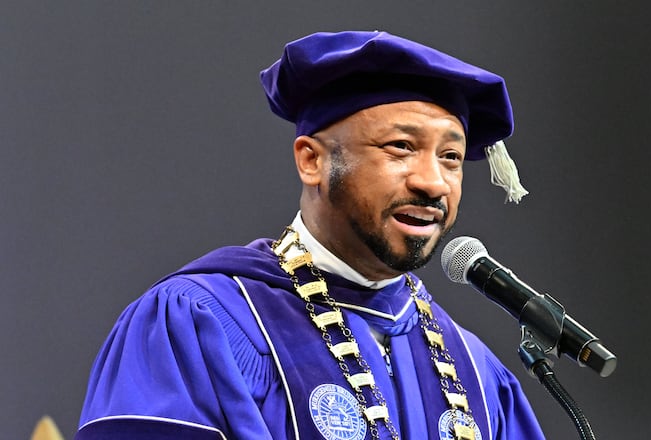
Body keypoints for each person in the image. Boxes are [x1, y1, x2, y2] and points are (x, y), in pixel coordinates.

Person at [75, 31, 541, 440]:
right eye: (401, 147)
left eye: (451, 157)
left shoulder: (477, 373)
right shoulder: (201, 323)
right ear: (312, 160)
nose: (433, 183)